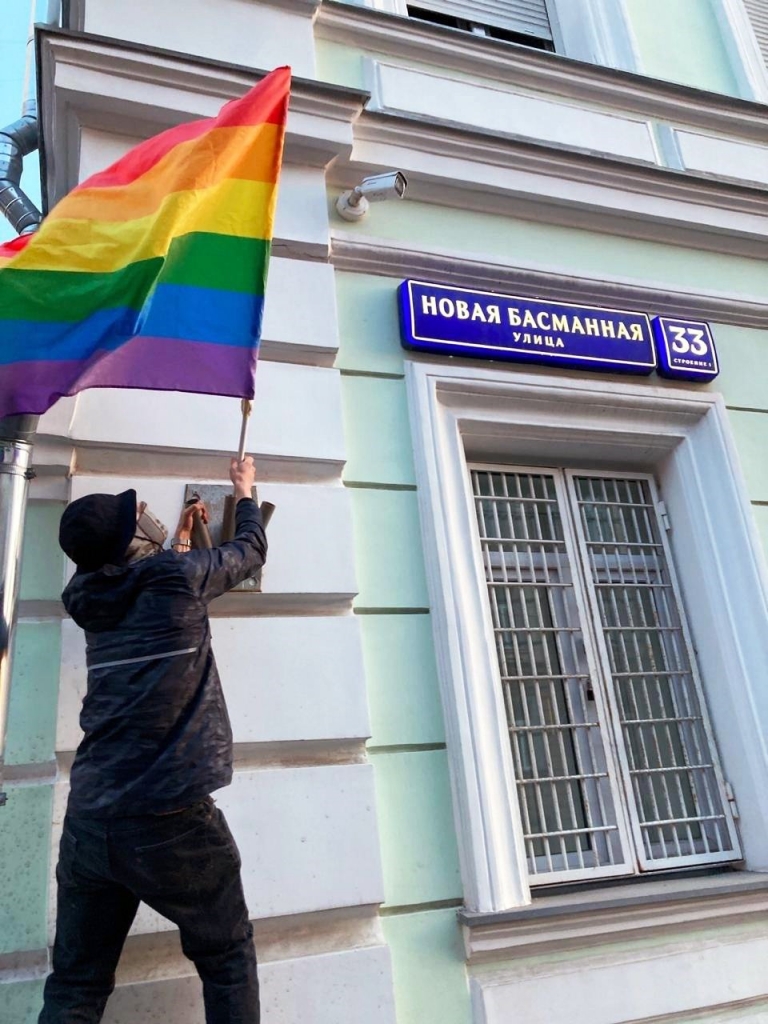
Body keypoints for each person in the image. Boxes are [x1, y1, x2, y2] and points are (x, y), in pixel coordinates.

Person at [39, 456, 267, 1024]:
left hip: (91, 820)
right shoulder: (175, 580)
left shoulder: (90, 599)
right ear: (130, 540)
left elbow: (145, 589)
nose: (144, 512)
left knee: (76, 985)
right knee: (227, 956)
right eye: (136, 513)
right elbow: (249, 551)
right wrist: (243, 492)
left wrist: (181, 540)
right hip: (171, 817)